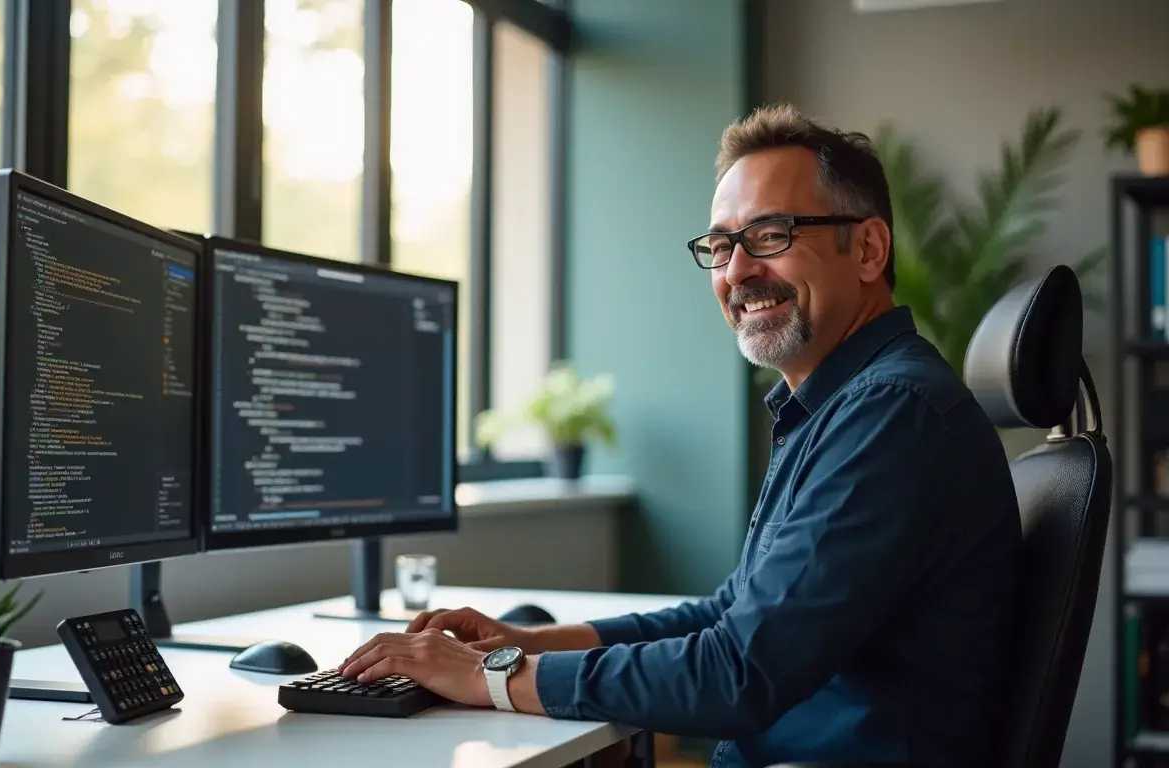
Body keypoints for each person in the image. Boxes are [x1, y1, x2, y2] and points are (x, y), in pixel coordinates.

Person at [340, 103, 1022, 768]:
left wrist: (486, 677)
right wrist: (525, 644)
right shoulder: (842, 407)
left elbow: (737, 672)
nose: (738, 271)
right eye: (721, 246)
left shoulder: (891, 413)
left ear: (868, 249)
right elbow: (732, 614)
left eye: (771, 234)